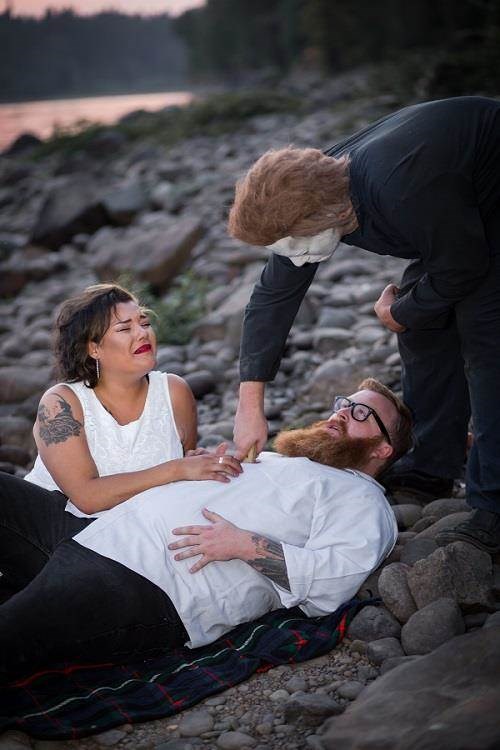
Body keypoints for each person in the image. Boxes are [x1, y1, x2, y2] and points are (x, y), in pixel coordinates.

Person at [228, 95, 500, 554]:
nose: (290, 255)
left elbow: (465, 265)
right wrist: (249, 402)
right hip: (451, 207)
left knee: (485, 343)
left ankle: (493, 510)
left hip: (488, 191)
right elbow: (272, 297)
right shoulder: (310, 191)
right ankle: (431, 467)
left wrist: (402, 311)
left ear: (329, 217)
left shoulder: (401, 191)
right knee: (424, 330)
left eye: (290, 242)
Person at [0, 379, 412, 677]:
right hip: (91, 529)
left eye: (362, 414)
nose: (342, 412)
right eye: (344, 403)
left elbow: (332, 581)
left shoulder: (364, 500)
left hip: (141, 581)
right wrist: (195, 471)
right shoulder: (279, 461)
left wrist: (246, 546)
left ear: (382, 449)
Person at [0, 282, 242, 604]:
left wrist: (205, 467)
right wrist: (177, 469)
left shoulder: (175, 392)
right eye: (124, 328)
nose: (142, 334)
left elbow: (181, 476)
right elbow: (86, 497)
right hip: (54, 535)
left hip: (132, 546)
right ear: (93, 348)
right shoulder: (61, 402)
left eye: (144, 323)